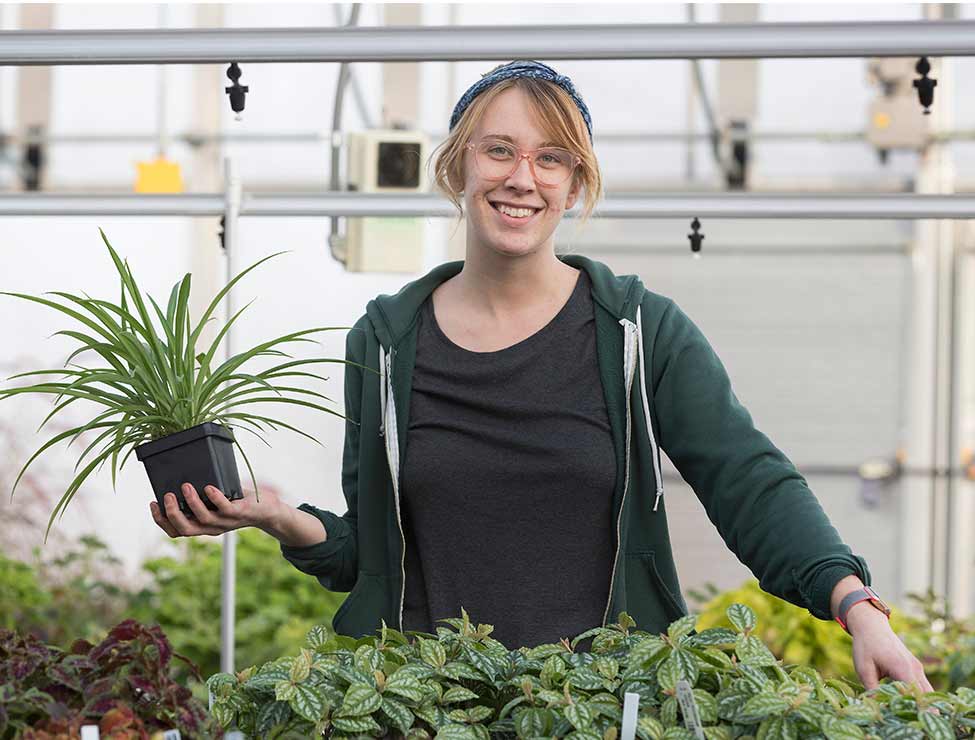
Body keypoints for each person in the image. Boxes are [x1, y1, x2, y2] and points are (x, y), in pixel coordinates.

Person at [150, 59, 931, 692]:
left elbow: (748, 481)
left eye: (550, 157)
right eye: (499, 150)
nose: (522, 177)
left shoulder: (636, 331)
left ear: (574, 184)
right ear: (458, 165)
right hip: (428, 702)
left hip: (596, 704)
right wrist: (283, 520)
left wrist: (855, 605)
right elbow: (373, 557)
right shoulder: (385, 342)